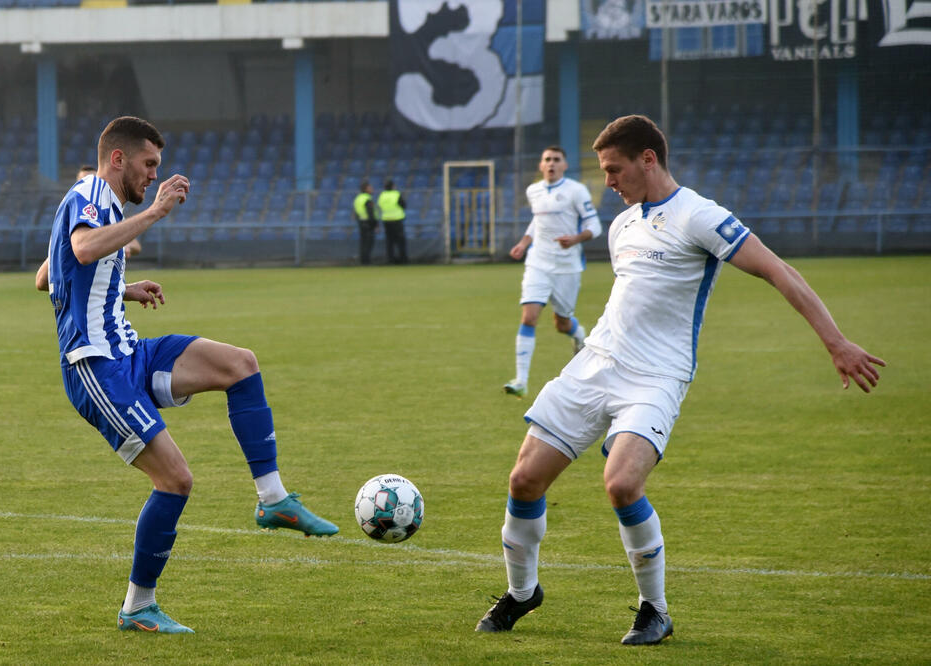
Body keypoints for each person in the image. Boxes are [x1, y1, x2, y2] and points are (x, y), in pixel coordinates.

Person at [475, 115, 885, 644]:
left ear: (648, 158)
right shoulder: (624, 224)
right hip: (595, 363)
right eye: (603, 172)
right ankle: (523, 592)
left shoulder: (700, 216)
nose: (609, 182)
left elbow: (779, 271)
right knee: (524, 479)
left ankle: (655, 610)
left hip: (657, 378)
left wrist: (836, 341)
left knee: (622, 483)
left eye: (614, 169)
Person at [45, 116, 338, 634]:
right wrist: (156, 213)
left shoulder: (98, 201)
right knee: (176, 481)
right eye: (148, 165)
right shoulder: (90, 192)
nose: (154, 177)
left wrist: (121, 289)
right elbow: (84, 250)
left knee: (240, 364)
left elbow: (48, 274)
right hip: (96, 365)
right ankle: (138, 607)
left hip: (130, 349)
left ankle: (273, 500)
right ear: (118, 159)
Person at [504, 146, 601, 398]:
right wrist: (524, 243)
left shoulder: (576, 191)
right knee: (529, 317)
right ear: (540, 165)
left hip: (567, 266)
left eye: (556, 160)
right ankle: (521, 381)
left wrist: (576, 238)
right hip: (538, 261)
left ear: (565, 165)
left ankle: (578, 334)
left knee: (562, 323)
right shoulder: (533, 190)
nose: (551, 164)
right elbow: (538, 221)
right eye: (546, 159)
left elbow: (595, 225)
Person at [35, 165, 142, 291]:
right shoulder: (72, 219)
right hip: (85, 308)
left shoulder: (109, 214)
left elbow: (135, 245)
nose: (89, 185)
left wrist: (123, 245)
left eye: (93, 180)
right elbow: (42, 280)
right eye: (83, 180)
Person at [377, 179, 408, 264]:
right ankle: (403, 259)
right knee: (400, 240)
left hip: (386, 220)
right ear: (393, 186)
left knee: (389, 241)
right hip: (397, 219)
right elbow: (403, 205)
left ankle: (390, 259)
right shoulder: (396, 194)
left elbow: (379, 205)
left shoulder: (382, 195)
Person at [353, 180, 377, 265]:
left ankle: (363, 260)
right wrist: (375, 225)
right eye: (370, 187)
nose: (372, 189)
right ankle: (367, 261)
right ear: (366, 189)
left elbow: (355, 212)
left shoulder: (358, 198)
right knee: (368, 242)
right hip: (368, 223)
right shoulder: (367, 199)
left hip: (361, 222)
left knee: (363, 242)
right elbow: (370, 213)